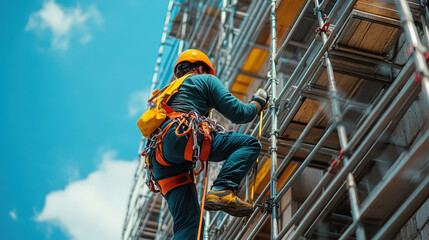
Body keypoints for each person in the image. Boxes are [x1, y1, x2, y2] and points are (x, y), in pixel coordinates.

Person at [147, 49, 268, 239]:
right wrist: (257, 103)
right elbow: (239, 114)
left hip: (159, 160)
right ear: (202, 68)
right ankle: (222, 189)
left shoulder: (168, 92)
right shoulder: (205, 80)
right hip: (181, 138)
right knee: (249, 145)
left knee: (188, 223)